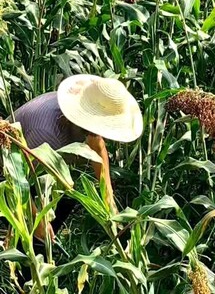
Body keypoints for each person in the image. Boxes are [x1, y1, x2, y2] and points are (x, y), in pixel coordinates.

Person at [11, 74, 143, 241]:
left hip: (36, 165)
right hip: (12, 169)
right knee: (36, 229)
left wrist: (109, 200)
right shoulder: (48, 136)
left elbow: (98, 147)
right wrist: (35, 218)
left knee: (67, 196)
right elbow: (17, 178)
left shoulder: (82, 119)